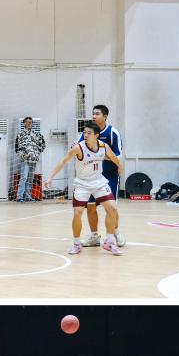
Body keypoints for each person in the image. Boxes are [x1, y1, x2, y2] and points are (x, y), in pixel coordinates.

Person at [46, 121, 124, 255]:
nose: (86, 135)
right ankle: (76, 244)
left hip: (99, 182)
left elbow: (113, 157)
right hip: (82, 184)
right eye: (84, 133)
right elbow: (63, 161)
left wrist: (119, 167)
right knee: (78, 213)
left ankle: (110, 242)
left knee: (112, 208)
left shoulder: (103, 146)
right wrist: (50, 177)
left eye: (89, 133)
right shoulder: (78, 148)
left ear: (96, 135)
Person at [78, 105, 126, 249]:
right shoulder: (87, 133)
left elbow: (118, 155)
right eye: (93, 114)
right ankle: (94, 236)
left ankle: (115, 232)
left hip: (109, 175)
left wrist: (101, 156)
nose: (94, 116)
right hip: (91, 177)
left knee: (111, 207)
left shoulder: (112, 133)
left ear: (105, 116)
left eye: (97, 114)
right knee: (91, 207)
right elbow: (79, 148)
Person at [15, 119, 46, 202]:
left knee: (30, 179)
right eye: (28, 122)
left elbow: (43, 144)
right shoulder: (20, 135)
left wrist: (37, 152)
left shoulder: (36, 134)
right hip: (25, 160)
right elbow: (17, 148)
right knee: (23, 178)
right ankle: (19, 196)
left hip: (34, 160)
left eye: (31, 122)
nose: (29, 123)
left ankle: (28, 196)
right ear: (24, 123)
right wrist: (23, 155)